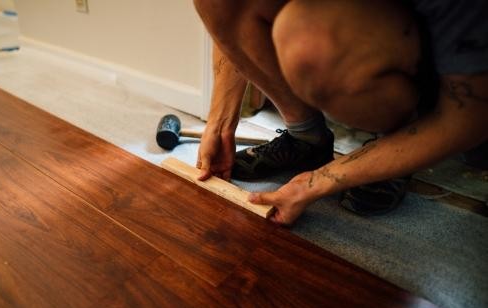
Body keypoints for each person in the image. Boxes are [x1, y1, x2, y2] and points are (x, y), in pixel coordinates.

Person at [192, 0, 488, 225]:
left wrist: (318, 181)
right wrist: (219, 124)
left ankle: (395, 142)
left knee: (308, 42)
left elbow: (467, 120)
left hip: (446, 73)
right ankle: (306, 139)